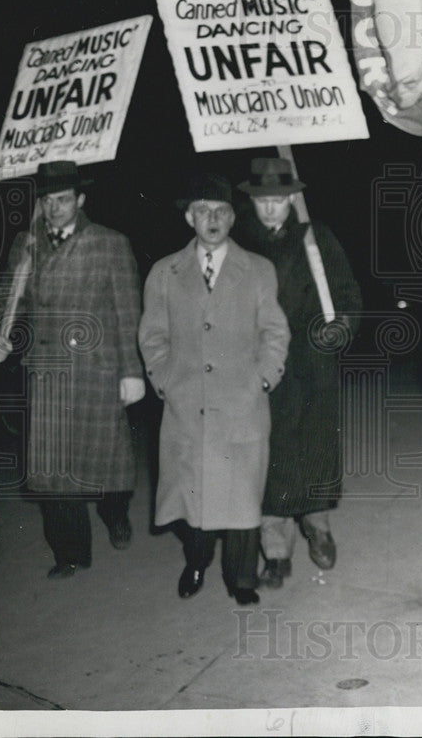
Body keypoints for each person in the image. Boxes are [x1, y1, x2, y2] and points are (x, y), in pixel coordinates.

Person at [0, 160, 145, 578]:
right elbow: (5, 299)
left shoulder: (109, 243)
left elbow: (128, 312)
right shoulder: (27, 244)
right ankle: (71, 552)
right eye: (48, 200)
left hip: (98, 370)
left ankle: (115, 512)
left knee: (106, 462)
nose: (55, 207)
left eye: (64, 199)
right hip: (48, 373)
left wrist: (132, 371)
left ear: (81, 200)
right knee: (54, 472)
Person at [139, 172, 288, 606]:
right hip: (187, 405)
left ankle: (240, 579)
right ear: (189, 217)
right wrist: (165, 379)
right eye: (203, 211)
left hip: (242, 403)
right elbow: (152, 336)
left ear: (232, 218)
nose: (213, 219)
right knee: (192, 497)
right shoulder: (164, 272)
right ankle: (197, 559)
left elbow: (275, 332)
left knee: (241, 497)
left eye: (221, 211)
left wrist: (264, 377)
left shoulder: (258, 270)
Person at [234, 157, 361, 588]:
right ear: (251, 202)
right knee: (269, 461)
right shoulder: (239, 245)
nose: (270, 209)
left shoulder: (316, 238)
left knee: (312, 453)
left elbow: (346, 294)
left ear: (292, 198)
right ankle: (275, 553)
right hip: (262, 364)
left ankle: (318, 527)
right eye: (262, 201)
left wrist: (340, 325)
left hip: (311, 361)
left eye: (278, 200)